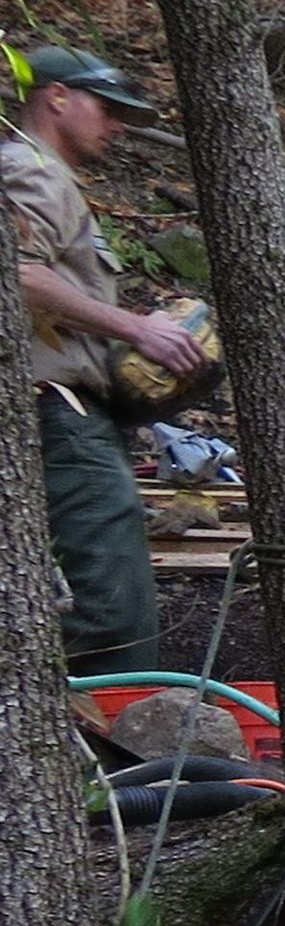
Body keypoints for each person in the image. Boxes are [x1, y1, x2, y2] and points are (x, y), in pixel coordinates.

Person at [7, 47, 200, 676]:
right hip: (54, 412)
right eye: (107, 108)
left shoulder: (48, 177)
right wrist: (133, 326)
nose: (118, 125)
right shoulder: (29, 170)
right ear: (56, 96)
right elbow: (16, 273)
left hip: (70, 412)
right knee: (109, 605)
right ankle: (111, 764)